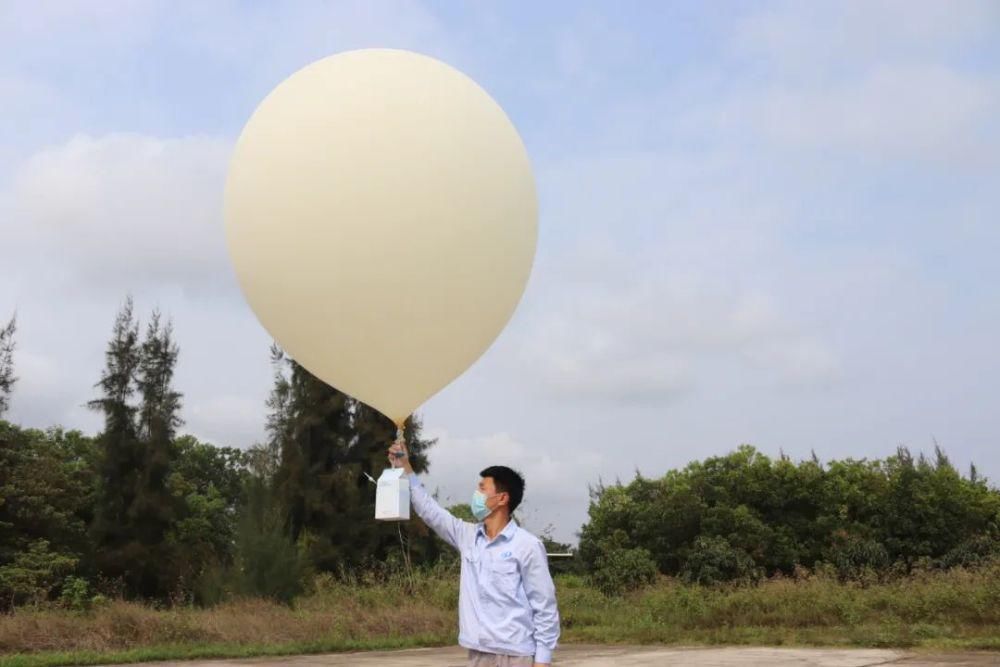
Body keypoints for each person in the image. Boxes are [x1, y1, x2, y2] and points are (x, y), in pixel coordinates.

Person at [387, 439, 560, 667]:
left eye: (482, 488)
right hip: (478, 654)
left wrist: (542, 661)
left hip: (516, 655)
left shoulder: (526, 546)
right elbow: (430, 511)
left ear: (502, 498)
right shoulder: (467, 537)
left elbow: (544, 606)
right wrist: (405, 467)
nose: (476, 494)